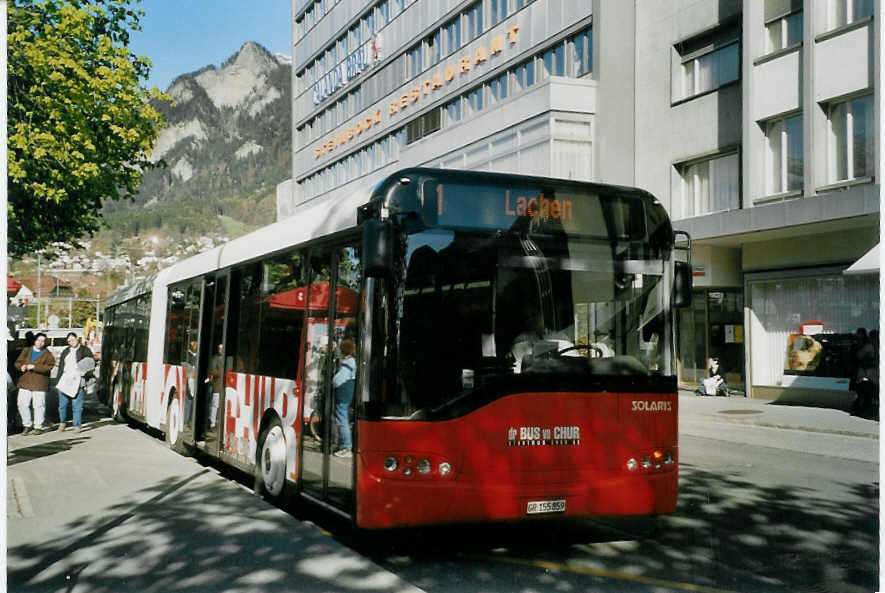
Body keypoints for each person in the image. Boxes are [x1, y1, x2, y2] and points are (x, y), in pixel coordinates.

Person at [14, 332, 55, 435]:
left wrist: (34, 367)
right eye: (38, 340)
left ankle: (38, 426)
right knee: (22, 404)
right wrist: (21, 367)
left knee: (38, 405)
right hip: (25, 381)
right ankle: (27, 425)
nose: (40, 343)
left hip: (40, 383)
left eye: (43, 341)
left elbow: (49, 367)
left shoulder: (47, 354)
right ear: (35, 340)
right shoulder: (27, 350)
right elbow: (18, 362)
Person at [56, 332, 96, 433]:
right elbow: (61, 366)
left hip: (78, 380)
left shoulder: (85, 350)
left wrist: (85, 376)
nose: (71, 342)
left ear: (77, 339)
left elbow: (91, 364)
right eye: (69, 341)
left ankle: (77, 425)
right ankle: (62, 423)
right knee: (63, 404)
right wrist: (58, 379)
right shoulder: (66, 351)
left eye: (72, 340)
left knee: (77, 405)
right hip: (65, 380)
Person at [332, 338, 357, 458]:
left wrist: (332, 381)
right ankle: (344, 445)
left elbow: (338, 380)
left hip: (343, 393)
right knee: (342, 419)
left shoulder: (348, 363)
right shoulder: (352, 361)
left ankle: (346, 447)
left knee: (342, 420)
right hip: (347, 393)